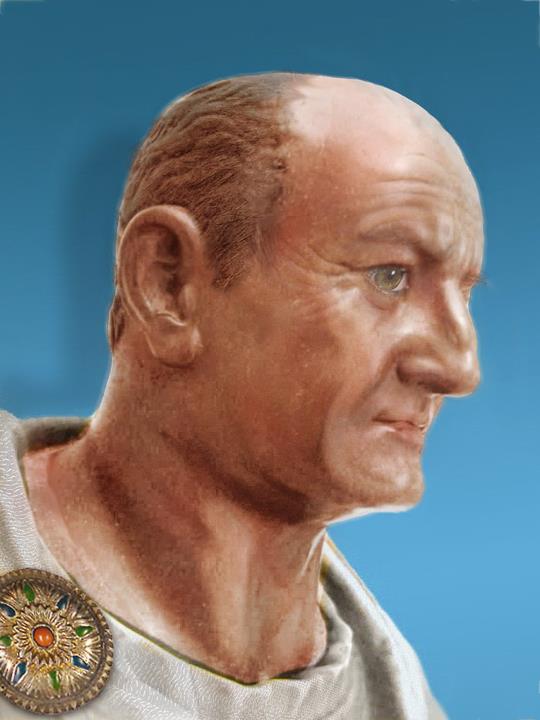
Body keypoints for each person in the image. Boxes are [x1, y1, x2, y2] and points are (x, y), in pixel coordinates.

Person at [0, 71, 484, 719]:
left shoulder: (393, 694)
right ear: (168, 284)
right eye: (389, 276)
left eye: (466, 294)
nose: (458, 368)